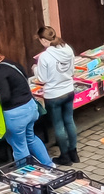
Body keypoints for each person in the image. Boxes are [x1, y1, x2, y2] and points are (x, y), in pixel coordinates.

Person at [0, 44, 50, 168]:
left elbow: (5, 96)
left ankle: (26, 175)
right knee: (31, 138)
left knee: (19, 146)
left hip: (16, 114)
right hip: (30, 107)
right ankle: (49, 165)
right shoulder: (12, 64)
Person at [33, 27, 79, 164]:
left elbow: (42, 79)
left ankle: (64, 156)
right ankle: (74, 153)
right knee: (69, 121)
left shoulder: (45, 57)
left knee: (58, 125)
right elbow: (71, 70)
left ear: (43, 40)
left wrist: (35, 69)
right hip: (68, 89)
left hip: (53, 94)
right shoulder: (67, 48)